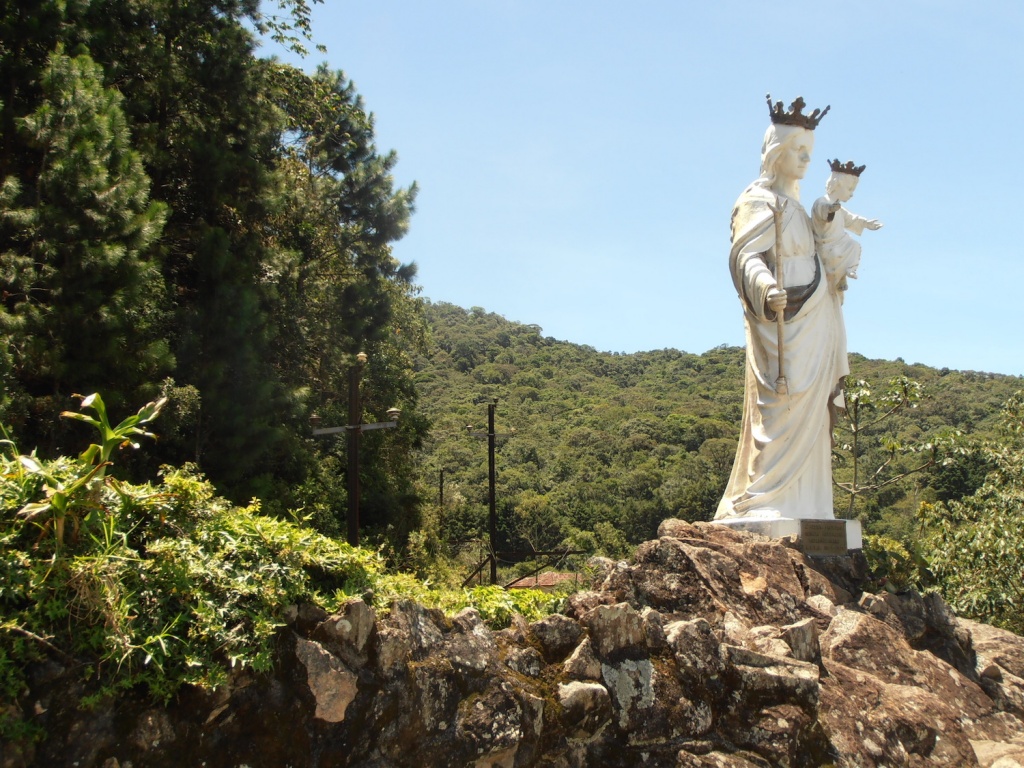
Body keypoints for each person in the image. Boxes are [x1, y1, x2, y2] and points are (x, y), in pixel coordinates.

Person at [715, 96, 845, 521]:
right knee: (782, 408)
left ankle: (810, 506)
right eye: (798, 151)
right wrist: (766, 286)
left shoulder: (797, 207)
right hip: (783, 323)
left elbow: (817, 251)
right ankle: (767, 498)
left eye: (809, 151)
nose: (807, 159)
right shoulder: (758, 201)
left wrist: (824, 223)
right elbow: (744, 256)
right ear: (777, 153)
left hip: (816, 318)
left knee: (813, 417)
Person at [811, 160, 883, 298]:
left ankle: (847, 272)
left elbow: (851, 219)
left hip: (840, 243)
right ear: (837, 185)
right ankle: (841, 274)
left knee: (854, 246)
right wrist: (830, 210)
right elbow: (822, 211)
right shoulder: (822, 202)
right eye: (849, 189)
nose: (851, 194)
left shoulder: (840, 209)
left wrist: (867, 223)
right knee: (842, 249)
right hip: (826, 246)